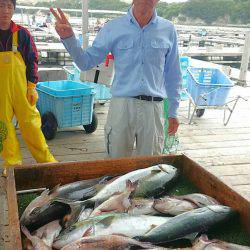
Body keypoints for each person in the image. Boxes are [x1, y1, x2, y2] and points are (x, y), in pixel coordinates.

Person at [50, 0, 182, 158]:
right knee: (116, 164)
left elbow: (173, 73)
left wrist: (173, 111)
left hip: (154, 109)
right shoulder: (113, 27)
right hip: (121, 106)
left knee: (150, 168)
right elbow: (85, 63)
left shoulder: (168, 29)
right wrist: (69, 38)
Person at [0, 0, 57, 174]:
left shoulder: (22, 34)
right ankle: (12, 165)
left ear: (13, 10)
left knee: (31, 125)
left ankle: (47, 162)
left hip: (22, 89)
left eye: (9, 6)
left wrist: (32, 85)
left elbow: (32, 60)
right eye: (1, 5)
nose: (5, 10)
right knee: (3, 127)